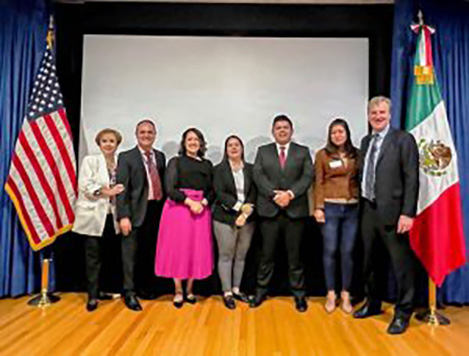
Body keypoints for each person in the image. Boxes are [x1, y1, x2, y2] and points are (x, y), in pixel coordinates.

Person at [353, 96, 419, 335]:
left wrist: (407, 213)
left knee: (401, 266)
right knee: (370, 262)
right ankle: (373, 303)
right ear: (368, 116)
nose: (378, 117)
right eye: (373, 113)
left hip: (394, 214)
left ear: (390, 114)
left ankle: (403, 313)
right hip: (369, 209)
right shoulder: (366, 140)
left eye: (382, 113)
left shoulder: (403, 140)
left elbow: (412, 178)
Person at [250, 114, 313, 312]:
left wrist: (290, 194)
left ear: (291, 131)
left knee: (295, 258)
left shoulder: (302, 152)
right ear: (273, 131)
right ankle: (260, 292)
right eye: (278, 128)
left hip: (295, 212)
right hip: (270, 211)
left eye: (286, 127)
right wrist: (275, 195)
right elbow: (258, 176)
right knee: (266, 256)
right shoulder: (263, 151)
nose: (282, 130)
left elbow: (307, 175)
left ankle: (299, 296)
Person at [155, 128, 214, 308]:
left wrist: (202, 203)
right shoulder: (176, 162)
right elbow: (170, 189)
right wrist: (190, 202)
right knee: (178, 249)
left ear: (201, 143)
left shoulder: (207, 164)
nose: (193, 142)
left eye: (196, 139)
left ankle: (190, 289)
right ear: (184, 142)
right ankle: (178, 290)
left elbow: (212, 190)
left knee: (195, 250)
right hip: (178, 209)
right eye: (189, 139)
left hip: (200, 210)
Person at [116, 119, 166, 311]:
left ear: (155, 135)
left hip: (155, 212)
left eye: (150, 132)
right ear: (136, 135)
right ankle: (129, 292)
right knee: (130, 256)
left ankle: (145, 288)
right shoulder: (126, 157)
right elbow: (122, 190)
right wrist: (123, 216)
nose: (146, 135)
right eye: (142, 132)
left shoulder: (160, 157)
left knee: (148, 253)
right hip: (134, 213)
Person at [73, 128, 125, 312]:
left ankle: (105, 290)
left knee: (110, 255)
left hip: (113, 217)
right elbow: (85, 185)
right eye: (105, 141)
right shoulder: (91, 160)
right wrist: (107, 191)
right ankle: (92, 296)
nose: (108, 144)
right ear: (99, 143)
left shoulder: (121, 162)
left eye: (112, 141)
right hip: (93, 216)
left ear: (117, 144)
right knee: (93, 257)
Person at [313, 118, 360, 314]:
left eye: (341, 132)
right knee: (330, 250)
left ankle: (346, 294)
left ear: (347, 133)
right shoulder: (322, 155)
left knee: (347, 252)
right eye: (334, 132)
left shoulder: (356, 154)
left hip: (352, 208)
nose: (337, 135)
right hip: (330, 208)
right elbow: (319, 182)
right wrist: (318, 207)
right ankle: (331, 293)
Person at [213, 135, 256, 310]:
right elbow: (220, 193)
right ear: (226, 149)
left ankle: (237, 289)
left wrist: (245, 214)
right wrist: (240, 208)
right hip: (224, 218)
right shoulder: (218, 170)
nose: (233, 148)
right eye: (230, 145)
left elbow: (254, 192)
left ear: (242, 148)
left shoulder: (251, 169)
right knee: (225, 255)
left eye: (236, 144)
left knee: (241, 256)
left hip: (248, 219)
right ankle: (227, 292)